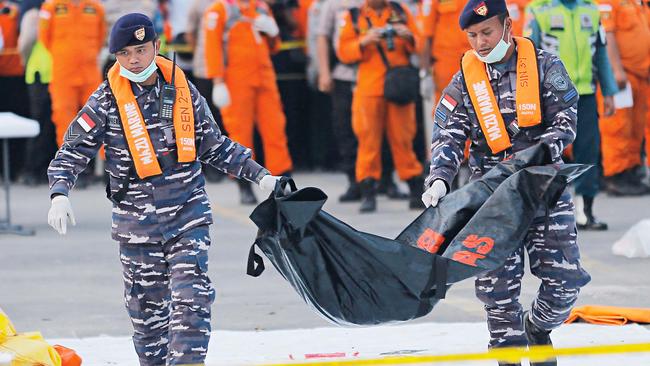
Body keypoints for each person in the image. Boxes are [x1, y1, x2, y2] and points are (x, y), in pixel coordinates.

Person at [46, 13, 286, 365]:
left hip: (187, 215)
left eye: (141, 50)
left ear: (157, 47)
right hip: (136, 226)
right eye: (125, 54)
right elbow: (72, 151)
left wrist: (262, 176)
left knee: (192, 301)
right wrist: (59, 193)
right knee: (148, 319)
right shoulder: (106, 99)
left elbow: (214, 145)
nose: (134, 60)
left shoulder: (183, 89)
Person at [421, 0, 591, 364]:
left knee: (565, 283)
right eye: (472, 35)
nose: (480, 42)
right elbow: (449, 135)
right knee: (497, 293)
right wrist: (439, 179)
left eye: (486, 32)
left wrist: (537, 156)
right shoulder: (465, 79)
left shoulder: (546, 65)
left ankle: (539, 327)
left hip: (543, 188)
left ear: (507, 26)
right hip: (492, 198)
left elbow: (566, 120)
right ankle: (508, 355)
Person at [524, 0, 618, 230]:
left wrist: (608, 90)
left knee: (588, 151)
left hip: (584, 94)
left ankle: (585, 210)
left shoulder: (591, 9)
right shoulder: (539, 10)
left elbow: (601, 52)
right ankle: (544, 212)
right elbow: (526, 56)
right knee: (547, 153)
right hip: (550, 97)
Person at [336, 0, 426, 212]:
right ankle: (368, 190)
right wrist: (364, 41)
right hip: (369, 87)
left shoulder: (399, 11)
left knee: (404, 139)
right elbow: (343, 51)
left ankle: (414, 187)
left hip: (398, 84)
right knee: (367, 140)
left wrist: (408, 36)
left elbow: (420, 43)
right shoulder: (354, 16)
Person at [203, 0, 294, 205]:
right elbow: (212, 47)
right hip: (236, 80)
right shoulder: (219, 10)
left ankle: (282, 181)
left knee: (276, 130)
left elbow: (273, 46)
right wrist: (217, 81)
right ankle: (244, 185)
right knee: (240, 133)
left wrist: (273, 33)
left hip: (264, 77)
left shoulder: (260, 7)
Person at [596, 0, 650, 196]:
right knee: (618, 126)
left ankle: (631, 170)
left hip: (640, 75)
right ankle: (615, 174)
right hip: (622, 74)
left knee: (636, 126)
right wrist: (616, 70)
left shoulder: (637, 3)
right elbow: (606, 35)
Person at [38, 0, 105, 148]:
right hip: (63, 75)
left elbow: (101, 37)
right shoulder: (50, 7)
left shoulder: (96, 8)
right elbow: (44, 38)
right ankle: (67, 162)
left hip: (90, 73)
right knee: (63, 118)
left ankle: (104, 167)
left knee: (98, 116)